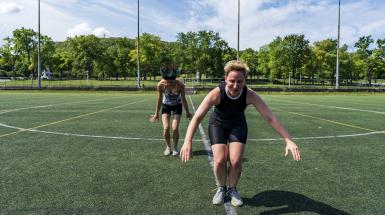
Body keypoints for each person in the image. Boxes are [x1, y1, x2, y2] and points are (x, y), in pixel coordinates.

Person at [180, 60, 301, 207]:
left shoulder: (249, 94)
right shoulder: (216, 93)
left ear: (245, 80)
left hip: (238, 125)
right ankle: (221, 188)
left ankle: (232, 190)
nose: (236, 85)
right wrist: (188, 140)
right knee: (219, 160)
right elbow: (197, 117)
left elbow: (270, 117)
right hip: (218, 124)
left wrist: (288, 139)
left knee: (236, 161)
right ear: (225, 79)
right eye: (232, 81)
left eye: (240, 81)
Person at [150, 64, 193, 156]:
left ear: (174, 79)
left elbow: (183, 99)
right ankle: (168, 147)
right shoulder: (160, 85)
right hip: (166, 106)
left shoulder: (180, 85)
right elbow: (159, 99)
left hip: (177, 105)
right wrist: (156, 113)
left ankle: (175, 147)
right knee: (166, 128)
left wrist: (188, 112)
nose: (168, 83)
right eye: (167, 81)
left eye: (171, 82)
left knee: (175, 128)